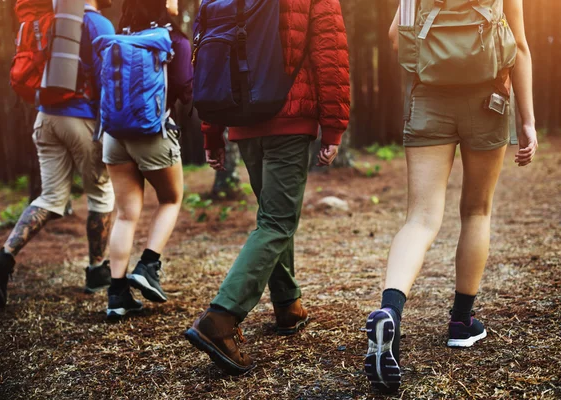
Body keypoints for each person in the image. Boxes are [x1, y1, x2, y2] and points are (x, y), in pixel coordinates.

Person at [365, 0, 538, 393]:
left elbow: (396, 38)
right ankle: (461, 322)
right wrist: (527, 122)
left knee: (420, 219)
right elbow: (521, 46)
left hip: (429, 99)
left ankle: (390, 310)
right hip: (488, 100)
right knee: (477, 211)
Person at [185, 0, 350, 376]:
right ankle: (220, 319)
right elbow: (331, 54)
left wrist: (212, 133)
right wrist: (334, 125)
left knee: (273, 216)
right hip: (290, 119)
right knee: (277, 221)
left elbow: (207, 60)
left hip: (242, 121)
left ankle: (288, 304)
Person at [0, 0, 116, 308]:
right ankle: (97, 270)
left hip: (45, 118)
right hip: (80, 118)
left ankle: (2, 258)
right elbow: (107, 80)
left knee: (51, 197)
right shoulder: (97, 23)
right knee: (101, 194)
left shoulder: (52, 19)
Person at [102, 0, 191, 319]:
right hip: (152, 133)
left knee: (126, 214)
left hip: (113, 136)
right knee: (170, 198)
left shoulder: (119, 35)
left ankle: (117, 295)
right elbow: (185, 85)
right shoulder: (174, 40)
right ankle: (149, 266)